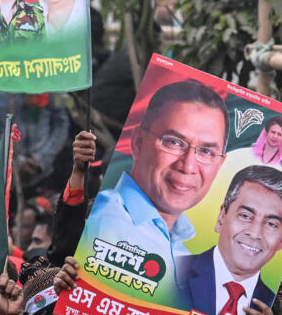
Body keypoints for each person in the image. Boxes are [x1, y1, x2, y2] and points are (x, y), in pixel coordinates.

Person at [85, 80, 228, 274]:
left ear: (220, 164)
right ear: (138, 142)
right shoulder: (99, 222)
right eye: (174, 142)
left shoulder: (182, 252)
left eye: (206, 151)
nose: (188, 166)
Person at [176, 165, 282, 315]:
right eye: (245, 216)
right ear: (221, 218)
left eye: (271, 224)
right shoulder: (171, 272)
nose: (254, 234)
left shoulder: (275, 311)